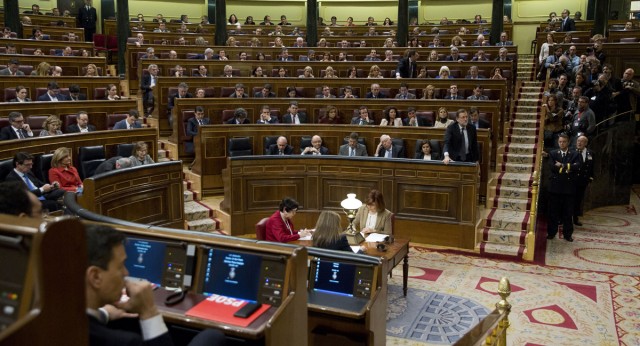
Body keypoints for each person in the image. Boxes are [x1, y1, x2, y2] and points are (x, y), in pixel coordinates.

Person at [85, 224, 226, 346]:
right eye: (120, 266)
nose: (126, 272)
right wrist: (149, 311)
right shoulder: (123, 342)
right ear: (95, 276)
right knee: (212, 337)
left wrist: (104, 314)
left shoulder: (64, 322)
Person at [546, 134, 579, 242]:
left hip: (568, 188)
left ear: (568, 142)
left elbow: (577, 166)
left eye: (564, 142)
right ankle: (551, 232)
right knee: (553, 212)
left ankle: (567, 234)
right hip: (555, 187)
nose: (562, 144)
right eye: (560, 142)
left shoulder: (574, 153)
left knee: (568, 213)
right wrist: (568, 168)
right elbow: (552, 167)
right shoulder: (553, 153)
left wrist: (562, 165)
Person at [573, 135, 594, 226]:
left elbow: (592, 166)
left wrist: (591, 177)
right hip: (571, 180)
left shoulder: (590, 153)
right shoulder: (572, 151)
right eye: (578, 141)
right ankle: (563, 218)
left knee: (578, 200)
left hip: (582, 181)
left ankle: (575, 218)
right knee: (567, 200)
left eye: (581, 141)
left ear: (586, 143)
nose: (579, 143)